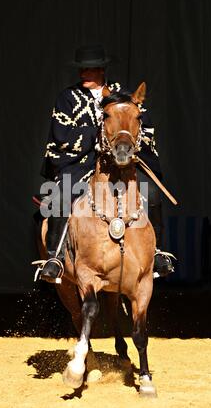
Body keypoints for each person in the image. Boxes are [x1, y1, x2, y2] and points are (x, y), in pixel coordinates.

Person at [38, 44, 175, 281]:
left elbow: (144, 127)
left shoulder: (124, 95)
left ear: (101, 70)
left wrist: (127, 140)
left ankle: (158, 253)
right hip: (81, 163)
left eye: (88, 70)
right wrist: (100, 134)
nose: (83, 75)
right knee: (60, 194)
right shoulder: (67, 98)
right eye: (81, 70)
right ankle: (55, 257)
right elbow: (61, 136)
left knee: (151, 193)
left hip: (122, 162)